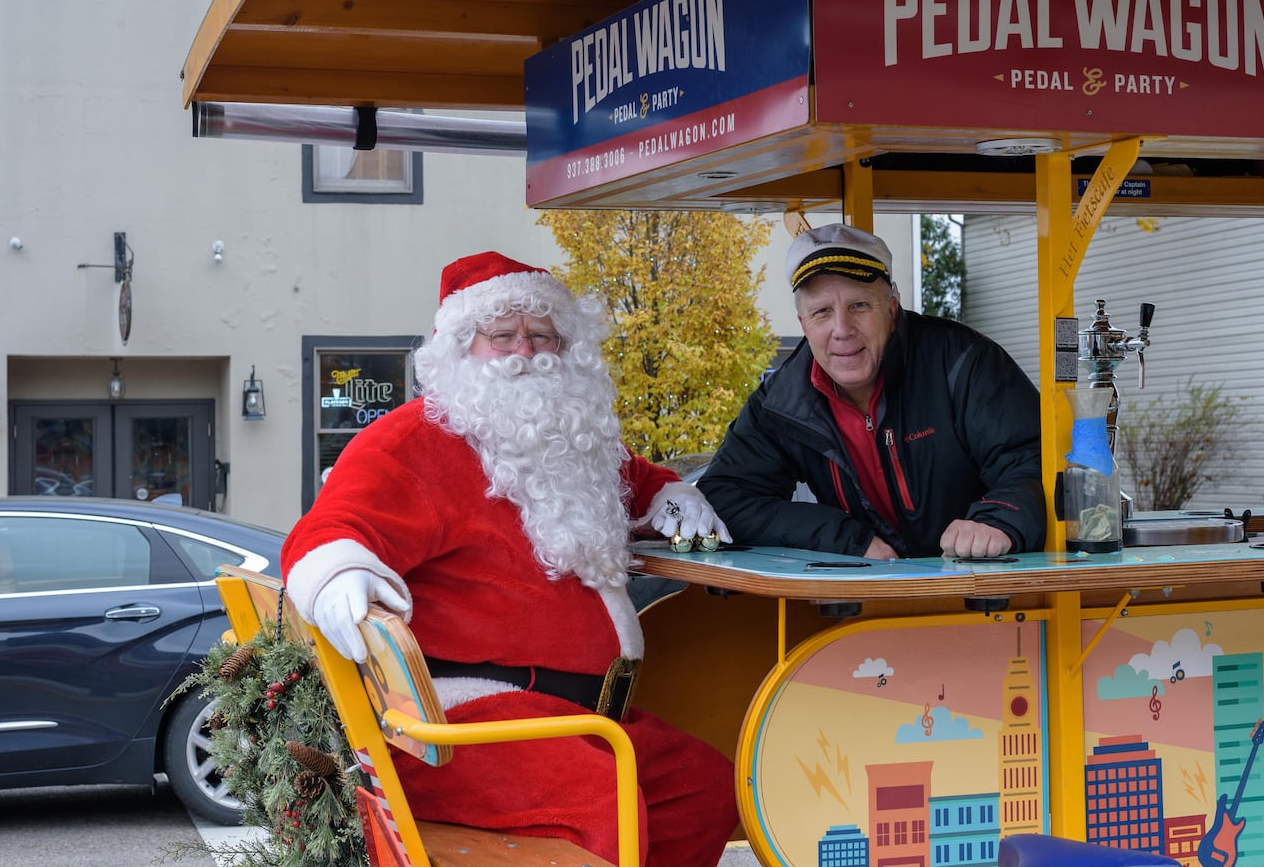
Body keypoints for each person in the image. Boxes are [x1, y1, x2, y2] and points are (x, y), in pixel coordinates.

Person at [281, 251, 739, 867]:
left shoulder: (569, 435)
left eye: (542, 335)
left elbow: (628, 476)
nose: (526, 352)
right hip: (464, 719)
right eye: (503, 336)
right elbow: (334, 526)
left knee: (700, 787)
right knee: (598, 798)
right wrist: (340, 570)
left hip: (570, 716)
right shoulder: (413, 439)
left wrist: (667, 493)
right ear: (462, 347)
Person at [699, 223, 1044, 559]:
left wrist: (998, 519)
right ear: (803, 324)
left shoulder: (963, 363)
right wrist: (847, 540)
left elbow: (1035, 457)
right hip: (867, 599)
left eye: (859, 306)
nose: (842, 329)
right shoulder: (780, 402)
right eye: (822, 312)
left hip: (985, 589)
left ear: (892, 309)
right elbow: (726, 498)